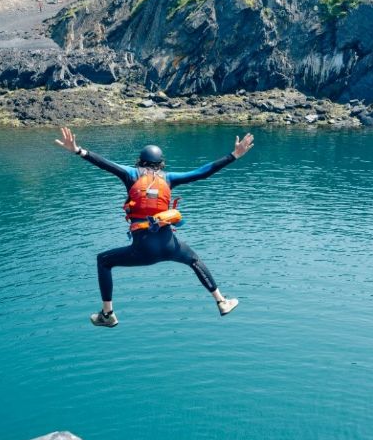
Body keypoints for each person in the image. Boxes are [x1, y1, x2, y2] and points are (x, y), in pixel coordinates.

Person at [53, 126, 254, 327]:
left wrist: (78, 150)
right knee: (193, 260)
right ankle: (221, 301)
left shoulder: (131, 174)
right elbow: (202, 172)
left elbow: (105, 164)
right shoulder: (168, 178)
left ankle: (108, 314)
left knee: (103, 261)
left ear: (140, 162)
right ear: (161, 164)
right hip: (170, 246)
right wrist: (234, 155)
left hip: (143, 250)